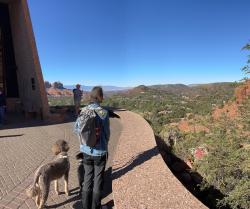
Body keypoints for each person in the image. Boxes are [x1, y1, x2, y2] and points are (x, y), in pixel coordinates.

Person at [80, 86, 110, 209]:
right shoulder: (103, 112)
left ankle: (85, 206)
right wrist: (105, 144)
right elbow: (107, 133)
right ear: (100, 97)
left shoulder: (83, 110)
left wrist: (84, 144)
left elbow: (77, 130)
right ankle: (96, 207)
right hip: (100, 152)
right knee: (98, 181)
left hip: (85, 150)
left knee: (87, 179)